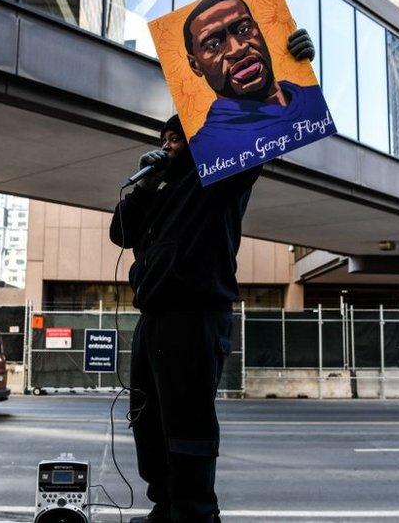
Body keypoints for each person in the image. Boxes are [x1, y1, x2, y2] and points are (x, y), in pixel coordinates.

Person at [109, 28, 315, 523]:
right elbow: (121, 232)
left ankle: (195, 512)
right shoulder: (156, 191)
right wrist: (145, 183)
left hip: (196, 314)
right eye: (164, 139)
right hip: (155, 318)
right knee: (147, 417)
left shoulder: (218, 178)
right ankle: (166, 503)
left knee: (187, 419)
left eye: (178, 137)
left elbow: (265, 130)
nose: (169, 144)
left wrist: (291, 66)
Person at [183, 0, 332, 179]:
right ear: (195, 65)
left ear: (259, 30)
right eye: (213, 45)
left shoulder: (310, 103)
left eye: (244, 29)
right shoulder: (207, 148)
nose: (237, 48)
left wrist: (300, 63)